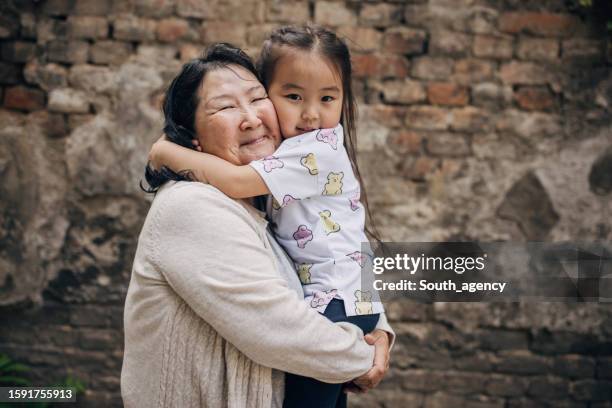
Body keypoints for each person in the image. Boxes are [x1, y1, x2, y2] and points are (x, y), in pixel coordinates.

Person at [122, 42, 394, 408]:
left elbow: (350, 242)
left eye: (256, 98)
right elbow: (275, 328)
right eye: (226, 107)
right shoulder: (192, 206)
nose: (250, 117)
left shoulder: (271, 200)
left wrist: (377, 327)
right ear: (191, 138)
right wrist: (363, 356)